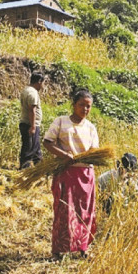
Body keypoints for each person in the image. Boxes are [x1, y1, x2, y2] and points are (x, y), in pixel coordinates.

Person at [43, 89, 99, 260]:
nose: (85, 109)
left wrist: (86, 156)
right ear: (73, 104)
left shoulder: (90, 127)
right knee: (64, 211)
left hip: (85, 174)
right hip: (66, 172)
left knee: (85, 212)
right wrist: (64, 155)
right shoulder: (61, 122)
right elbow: (47, 142)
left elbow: (94, 150)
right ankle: (58, 251)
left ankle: (83, 248)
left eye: (88, 106)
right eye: (81, 105)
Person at [19, 72, 45, 169]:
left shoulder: (26, 90)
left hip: (27, 123)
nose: (42, 86)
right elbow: (31, 110)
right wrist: (33, 126)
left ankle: (40, 168)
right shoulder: (32, 93)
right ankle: (25, 168)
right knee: (29, 149)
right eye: (43, 83)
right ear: (39, 82)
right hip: (29, 124)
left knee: (36, 148)